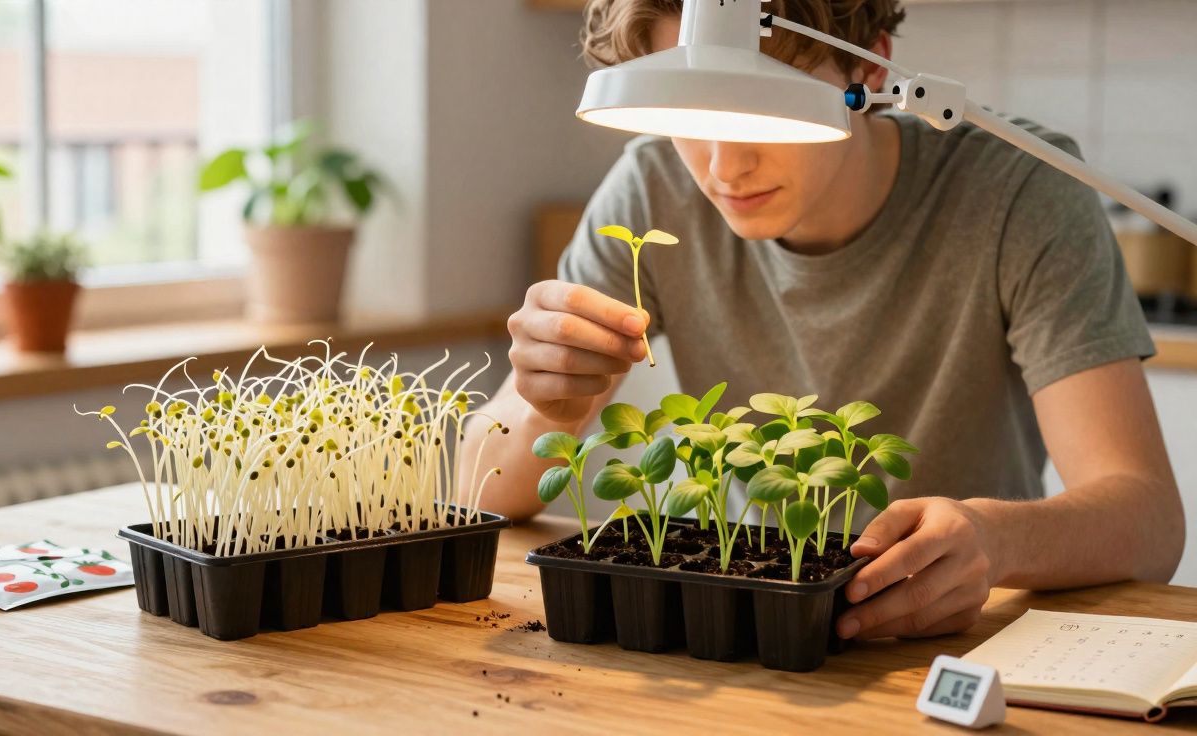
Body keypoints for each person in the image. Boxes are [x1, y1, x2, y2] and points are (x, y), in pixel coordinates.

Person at [462, 0, 1184, 641]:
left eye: (762, 102)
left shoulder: (1017, 189)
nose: (724, 167)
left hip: (957, 644)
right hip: (745, 632)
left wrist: (997, 540)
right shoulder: (650, 190)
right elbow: (480, 491)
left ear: (870, 69)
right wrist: (546, 409)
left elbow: (1148, 521)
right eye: (690, 115)